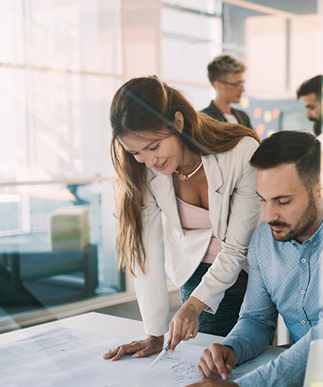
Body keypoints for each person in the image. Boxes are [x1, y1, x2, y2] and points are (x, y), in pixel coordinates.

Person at [189, 131, 323, 387]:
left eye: (282, 201)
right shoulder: (264, 239)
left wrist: (241, 386)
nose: (269, 215)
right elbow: (256, 320)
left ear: (320, 190)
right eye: (263, 200)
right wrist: (232, 349)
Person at [103, 76, 261, 361]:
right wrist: (153, 333)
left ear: (177, 122)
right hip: (194, 271)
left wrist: (195, 304)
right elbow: (147, 251)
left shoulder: (241, 153)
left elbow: (238, 249)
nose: (149, 162)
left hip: (250, 269)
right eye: (135, 152)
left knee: (243, 353)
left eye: (153, 147)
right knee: (201, 359)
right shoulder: (145, 171)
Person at [201, 54, 253, 129]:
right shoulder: (203, 119)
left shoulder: (243, 117)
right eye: (237, 84)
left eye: (242, 83)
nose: (242, 89)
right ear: (218, 85)